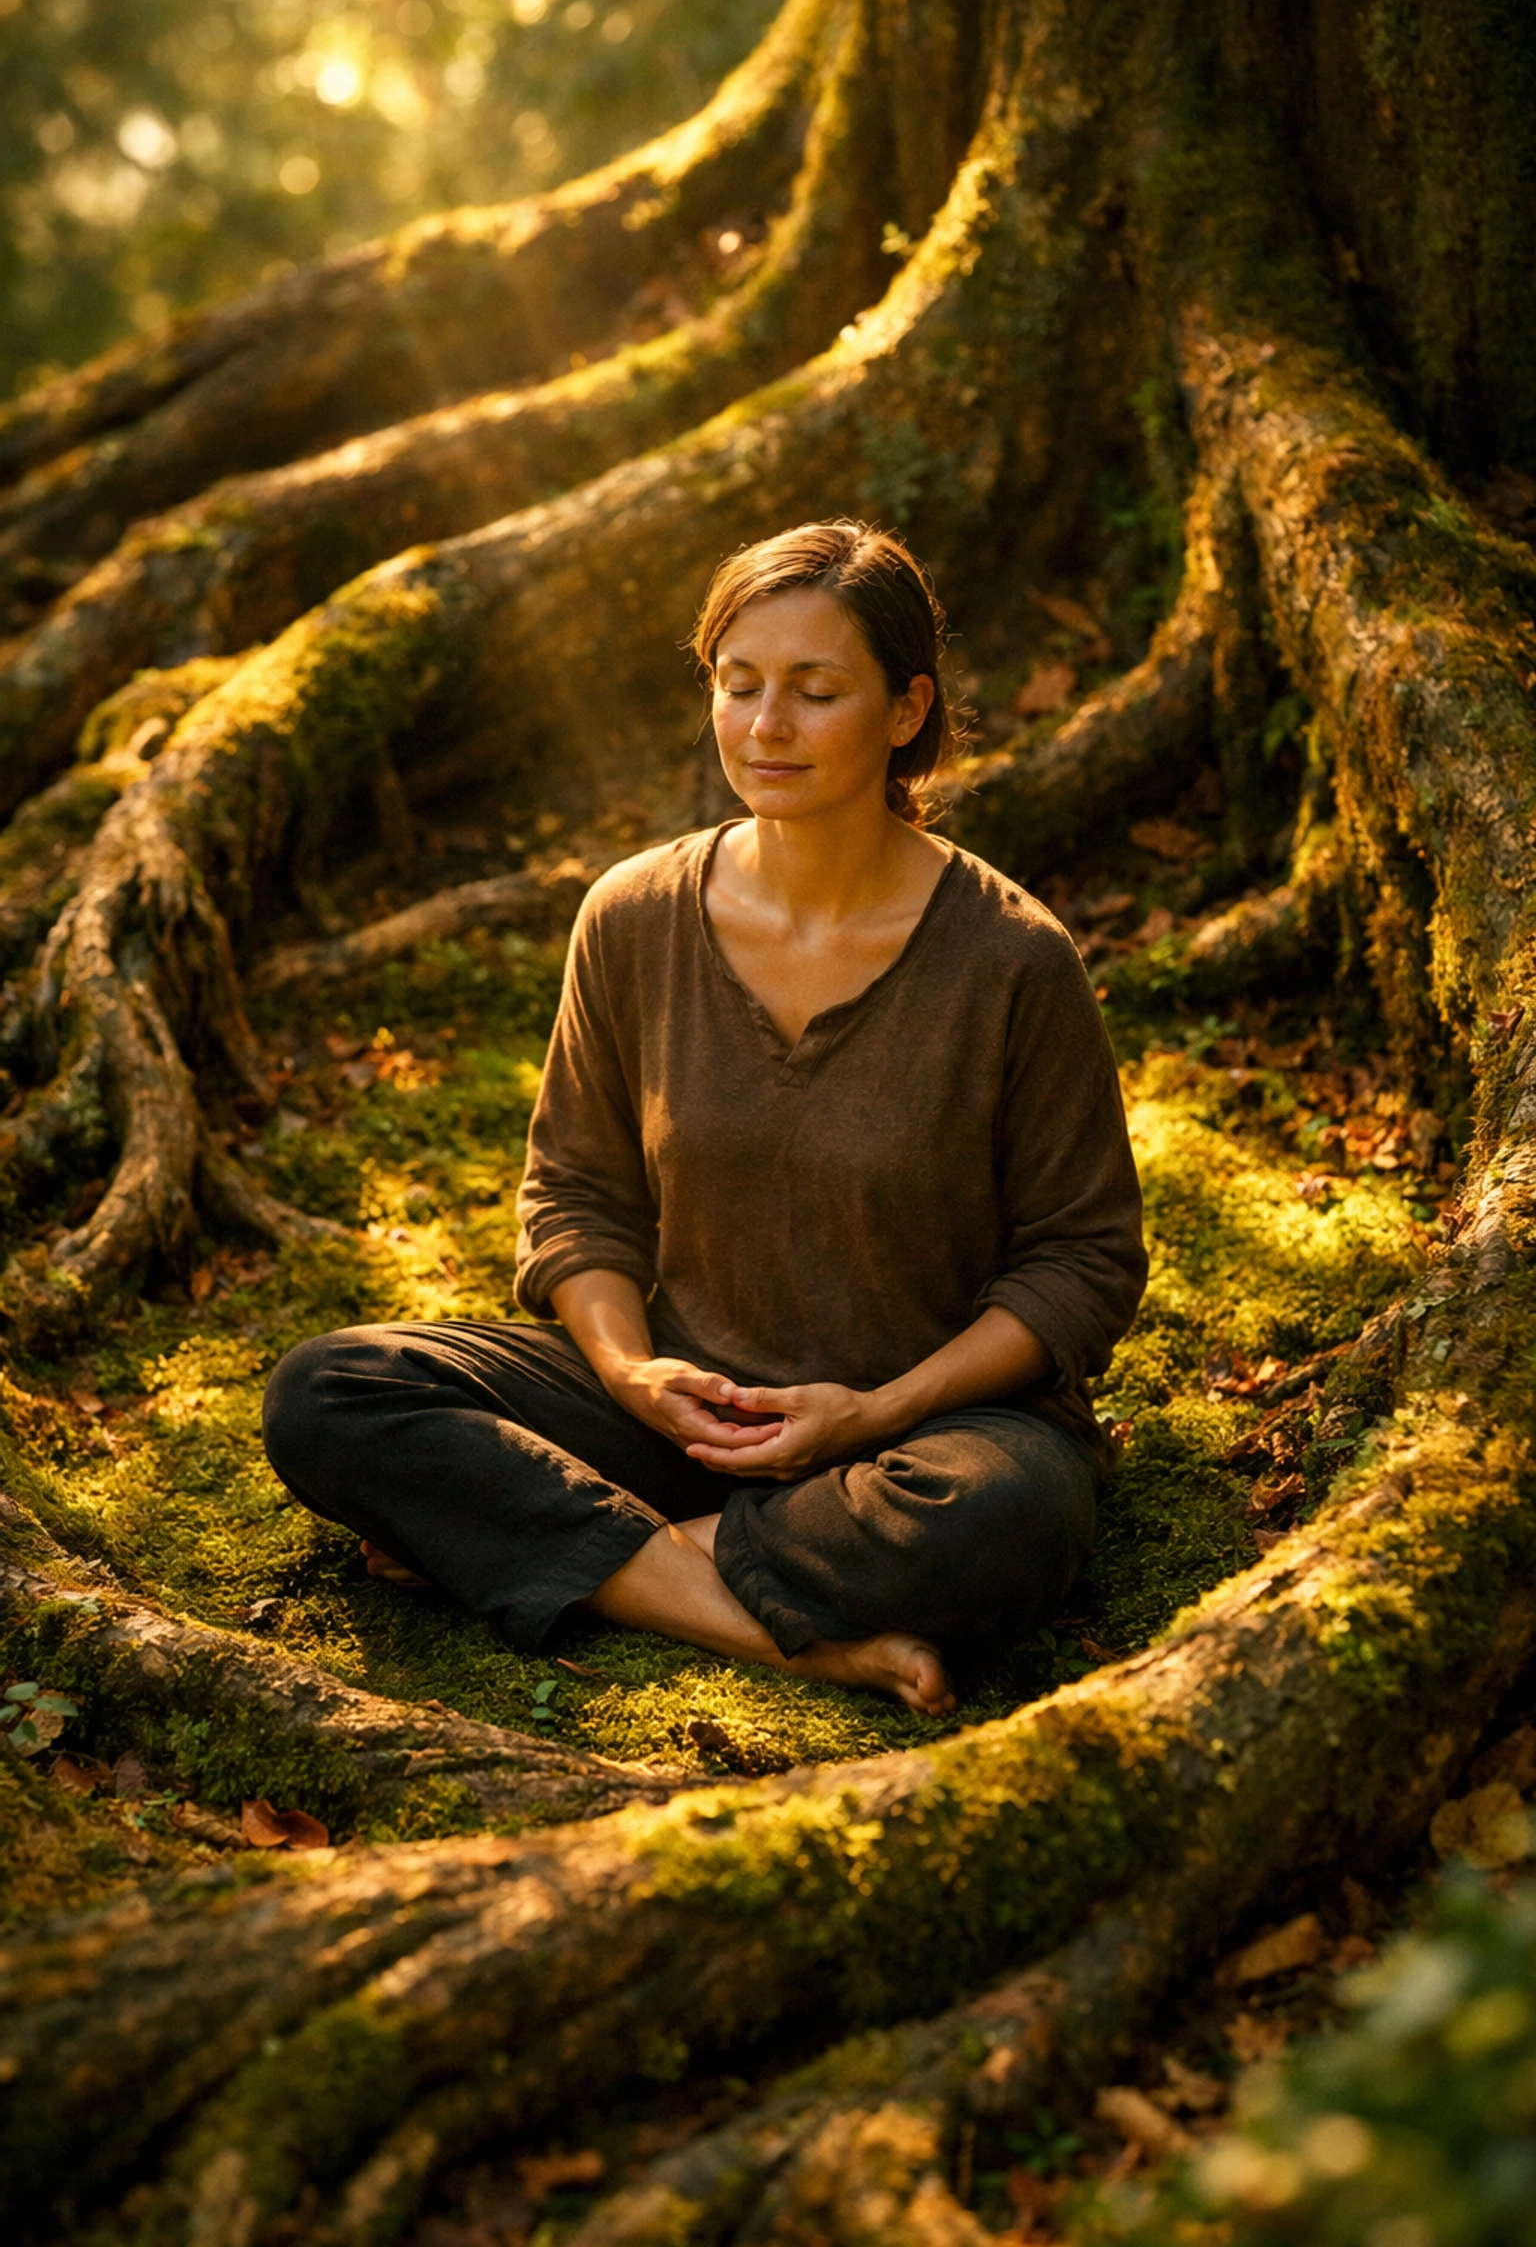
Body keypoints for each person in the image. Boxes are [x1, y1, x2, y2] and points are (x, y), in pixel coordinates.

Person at [262, 520, 1146, 1717]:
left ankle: (554, 1547)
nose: (765, 726)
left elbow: (1082, 1262)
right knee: (333, 1391)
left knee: (1012, 1517)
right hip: (681, 1411)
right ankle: (781, 1627)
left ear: (904, 710)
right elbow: (575, 1197)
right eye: (739, 686)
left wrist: (877, 1409)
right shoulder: (633, 916)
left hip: (919, 1435)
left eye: (815, 690)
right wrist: (631, 1374)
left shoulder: (1011, 960)